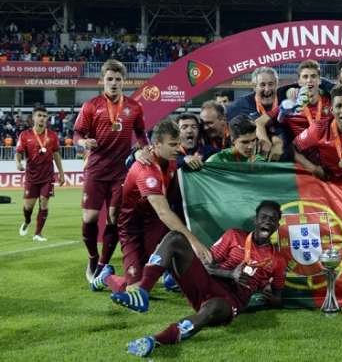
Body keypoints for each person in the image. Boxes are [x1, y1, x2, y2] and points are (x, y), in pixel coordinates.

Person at [112, 201, 286, 357]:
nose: (267, 221)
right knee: (175, 237)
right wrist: (230, 274)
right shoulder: (234, 236)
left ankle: (154, 341)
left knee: (213, 307)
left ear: (277, 226)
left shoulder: (278, 260)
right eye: (263, 217)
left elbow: (278, 297)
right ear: (255, 220)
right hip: (208, 283)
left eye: (273, 219)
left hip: (231, 300)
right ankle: (142, 292)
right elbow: (207, 266)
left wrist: (270, 297)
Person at [91, 120, 211, 293]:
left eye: (178, 144)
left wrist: (186, 159)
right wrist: (195, 242)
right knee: (135, 289)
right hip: (132, 226)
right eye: (172, 144)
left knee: (148, 279)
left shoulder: (170, 161)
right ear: (156, 144)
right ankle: (106, 277)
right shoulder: (146, 169)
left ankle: (171, 274)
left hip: (153, 223)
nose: (177, 148)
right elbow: (163, 211)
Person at [74, 59, 151, 282]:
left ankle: (102, 263)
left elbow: (141, 134)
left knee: (115, 218)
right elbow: (77, 133)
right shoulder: (91, 106)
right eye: (110, 79)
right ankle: (92, 256)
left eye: (118, 79)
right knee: (89, 218)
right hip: (96, 170)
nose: (114, 83)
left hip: (120, 172)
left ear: (124, 81)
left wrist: (146, 149)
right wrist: (83, 143)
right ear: (102, 80)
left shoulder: (134, 107)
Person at [16, 107, 65, 241]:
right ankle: (27, 221)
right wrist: (18, 163)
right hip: (31, 177)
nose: (42, 118)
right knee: (28, 207)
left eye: (45, 116)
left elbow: (56, 154)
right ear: (33, 118)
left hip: (47, 176)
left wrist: (61, 173)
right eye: (39, 115)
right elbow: (18, 152)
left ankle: (38, 234)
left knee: (44, 202)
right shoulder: (25, 135)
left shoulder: (52, 136)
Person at [226, 67, 284, 160]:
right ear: (254, 86)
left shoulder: (285, 102)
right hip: (249, 161)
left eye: (271, 84)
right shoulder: (238, 107)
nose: (267, 89)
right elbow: (232, 138)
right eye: (262, 85)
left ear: (277, 85)